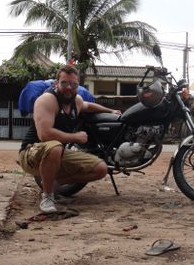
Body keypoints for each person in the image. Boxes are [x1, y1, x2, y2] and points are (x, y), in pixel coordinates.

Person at [18, 65, 121, 214]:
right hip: (31, 152)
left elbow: (88, 106)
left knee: (101, 169)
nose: (69, 88)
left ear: (78, 85)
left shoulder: (76, 101)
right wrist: (75, 137)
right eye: (64, 83)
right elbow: (44, 135)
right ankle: (47, 196)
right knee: (55, 147)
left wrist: (111, 111)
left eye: (74, 84)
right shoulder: (47, 100)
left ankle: (54, 183)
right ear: (56, 83)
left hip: (57, 153)